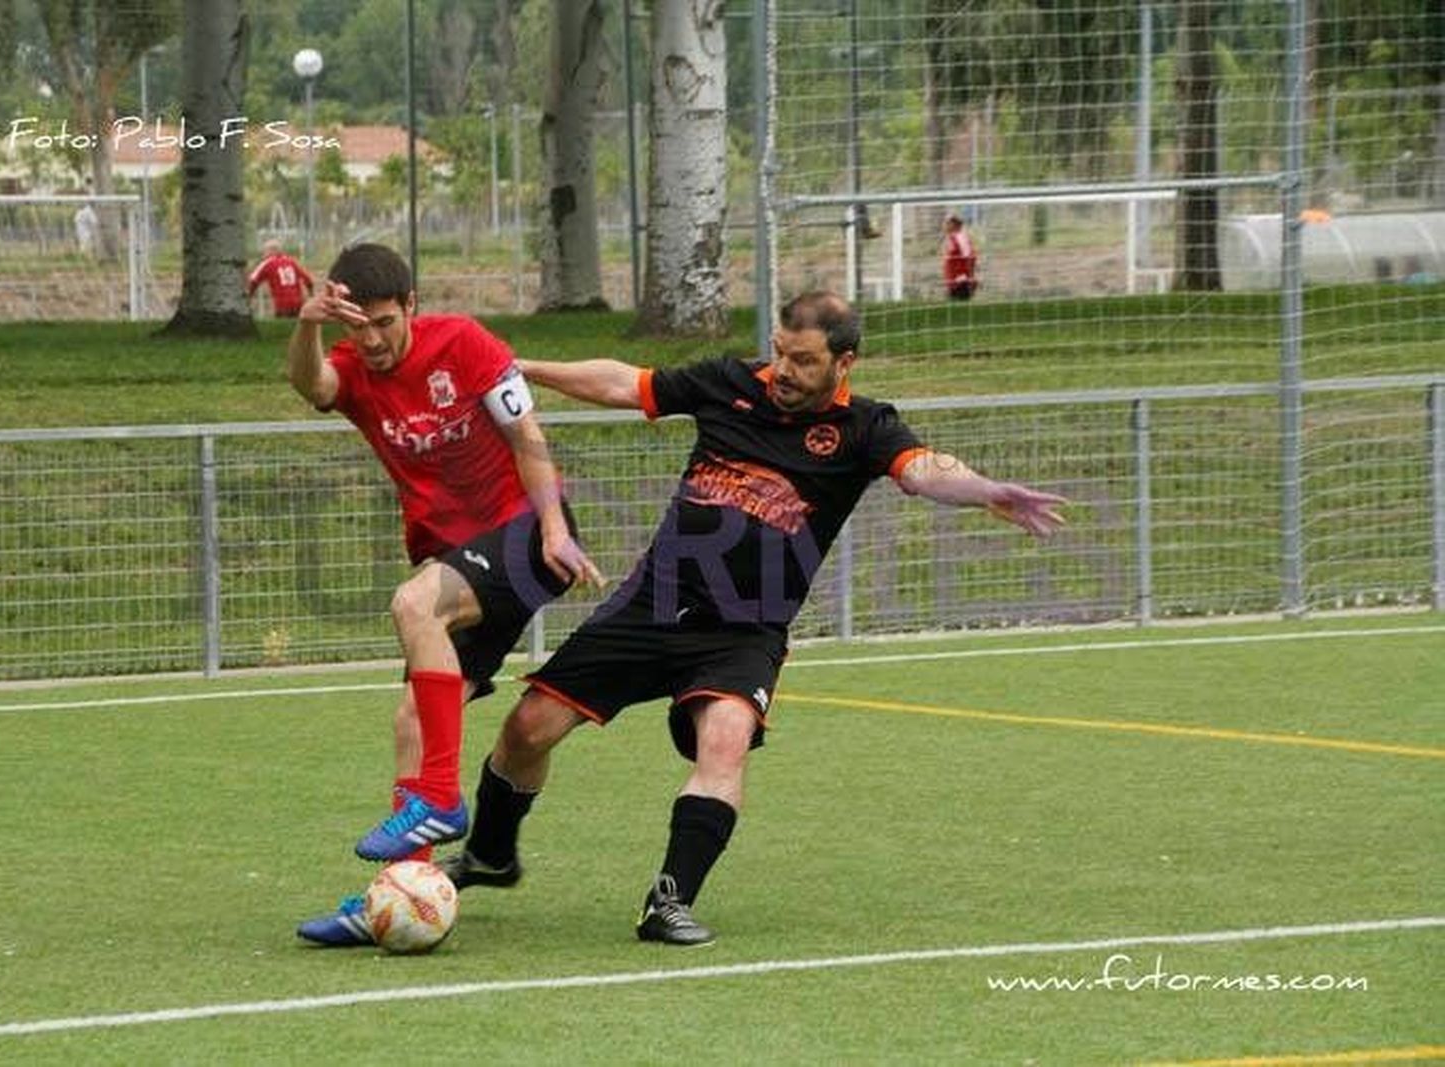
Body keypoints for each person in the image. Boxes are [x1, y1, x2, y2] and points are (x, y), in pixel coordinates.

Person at [300, 290, 1066, 948]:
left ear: (844, 362)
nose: (785, 373)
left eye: (803, 362)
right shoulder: (730, 383)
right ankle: (494, 854)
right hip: (652, 604)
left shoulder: (865, 428)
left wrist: (988, 488)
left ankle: (669, 900)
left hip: (745, 628)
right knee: (526, 728)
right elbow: (623, 384)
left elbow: (926, 471)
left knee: (724, 738)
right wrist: (522, 370)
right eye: (779, 354)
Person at [290, 243, 602, 946]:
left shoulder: (462, 342)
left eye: (384, 322)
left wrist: (554, 528)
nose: (371, 339)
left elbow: (526, 432)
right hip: (455, 555)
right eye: (356, 327)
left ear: (412, 308)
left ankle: (438, 796)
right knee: (411, 718)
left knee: (412, 604)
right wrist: (308, 324)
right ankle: (402, 892)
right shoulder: (347, 366)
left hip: (524, 534)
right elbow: (311, 386)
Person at [248, 239, 316, 318]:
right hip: (298, 304)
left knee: (282, 328)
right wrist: (311, 294)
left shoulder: (267, 263)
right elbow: (308, 280)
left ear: (272, 251)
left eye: (265, 251)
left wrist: (249, 297)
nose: (264, 254)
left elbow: (252, 281)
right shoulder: (291, 261)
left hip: (282, 305)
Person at [941, 215, 978, 300]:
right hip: (952, 281)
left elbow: (970, 257)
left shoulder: (961, 237)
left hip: (961, 280)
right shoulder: (950, 238)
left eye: (947, 223)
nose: (944, 225)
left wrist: (969, 277)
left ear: (955, 225)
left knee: (961, 306)